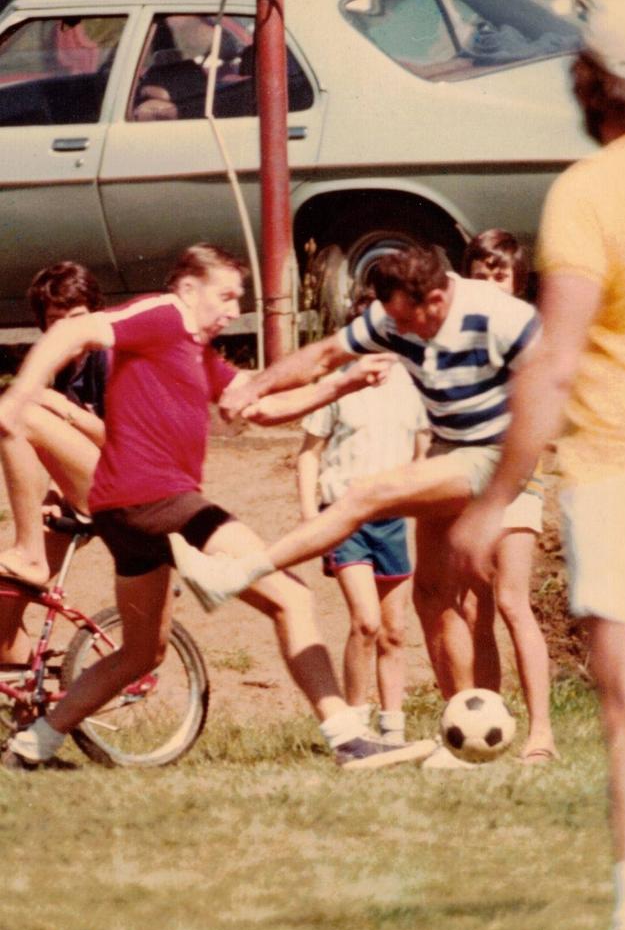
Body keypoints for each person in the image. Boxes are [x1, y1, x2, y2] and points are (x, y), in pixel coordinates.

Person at [0, 243, 434, 771]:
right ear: (188, 289)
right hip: (156, 499)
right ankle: (348, 738)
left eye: (238, 299)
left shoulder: (196, 353)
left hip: (128, 514)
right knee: (291, 600)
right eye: (225, 296)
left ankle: (31, 746)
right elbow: (73, 331)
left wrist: (340, 383)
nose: (232, 310)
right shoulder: (162, 316)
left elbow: (263, 405)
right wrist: (23, 393)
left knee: (141, 653)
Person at [447, 0, 625, 930]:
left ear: (590, 79)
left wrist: (492, 501)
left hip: (621, 477)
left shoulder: (589, 190)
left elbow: (553, 361)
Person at [169, 245, 540, 769]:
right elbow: (321, 356)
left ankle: (235, 574)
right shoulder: (395, 315)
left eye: (408, 322)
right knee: (432, 597)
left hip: (499, 456)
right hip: (447, 450)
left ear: (435, 300)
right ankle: (468, 735)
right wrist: (255, 384)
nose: (397, 332)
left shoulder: (503, 317)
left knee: (366, 493)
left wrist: (497, 498)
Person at [297, 289, 430, 744]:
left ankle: (393, 730)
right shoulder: (339, 384)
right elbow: (308, 456)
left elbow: (421, 453)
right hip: (344, 516)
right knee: (366, 622)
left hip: (391, 517)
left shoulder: (412, 386)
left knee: (395, 630)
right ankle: (354, 726)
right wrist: (310, 515)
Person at [462, 230, 558, 763]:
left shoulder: (530, 334)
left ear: (517, 281)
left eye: (499, 274)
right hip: (467, 483)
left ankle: (542, 732)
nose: (489, 283)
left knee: (510, 601)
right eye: (480, 274)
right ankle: (486, 721)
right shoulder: (459, 333)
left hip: (517, 479)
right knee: (476, 608)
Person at [0, 262, 108, 668]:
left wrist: (61, 407)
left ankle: (29, 552)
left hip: (130, 484)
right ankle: (30, 699)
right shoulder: (64, 367)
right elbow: (64, 450)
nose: (66, 331)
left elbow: (124, 441)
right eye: (56, 322)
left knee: (19, 410)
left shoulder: (108, 358)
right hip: (86, 488)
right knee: (6, 603)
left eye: (76, 319)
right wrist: (52, 494)